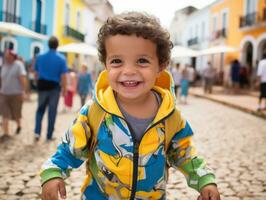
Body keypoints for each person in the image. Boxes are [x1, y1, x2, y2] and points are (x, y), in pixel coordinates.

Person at [40, 12, 220, 200]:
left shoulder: (170, 116)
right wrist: (53, 172)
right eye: (117, 61)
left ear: (161, 66)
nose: (128, 71)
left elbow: (184, 153)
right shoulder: (94, 112)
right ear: (106, 65)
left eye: (142, 61)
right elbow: (70, 148)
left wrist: (204, 179)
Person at [34, 36, 68, 141]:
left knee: (40, 110)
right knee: (52, 112)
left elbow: (35, 73)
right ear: (57, 46)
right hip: (54, 88)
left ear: (48, 44)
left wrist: (37, 84)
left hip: (42, 86)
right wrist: (65, 89)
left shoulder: (39, 57)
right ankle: (49, 135)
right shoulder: (62, 59)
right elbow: (63, 76)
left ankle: (37, 133)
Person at [0, 50, 27, 140]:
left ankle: (19, 125)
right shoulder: (4, 65)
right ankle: (6, 133)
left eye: (8, 55)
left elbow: (22, 79)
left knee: (16, 114)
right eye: (6, 55)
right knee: (5, 114)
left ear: (13, 56)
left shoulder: (18, 65)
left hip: (16, 94)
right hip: (4, 94)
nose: (6, 57)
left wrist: (23, 92)